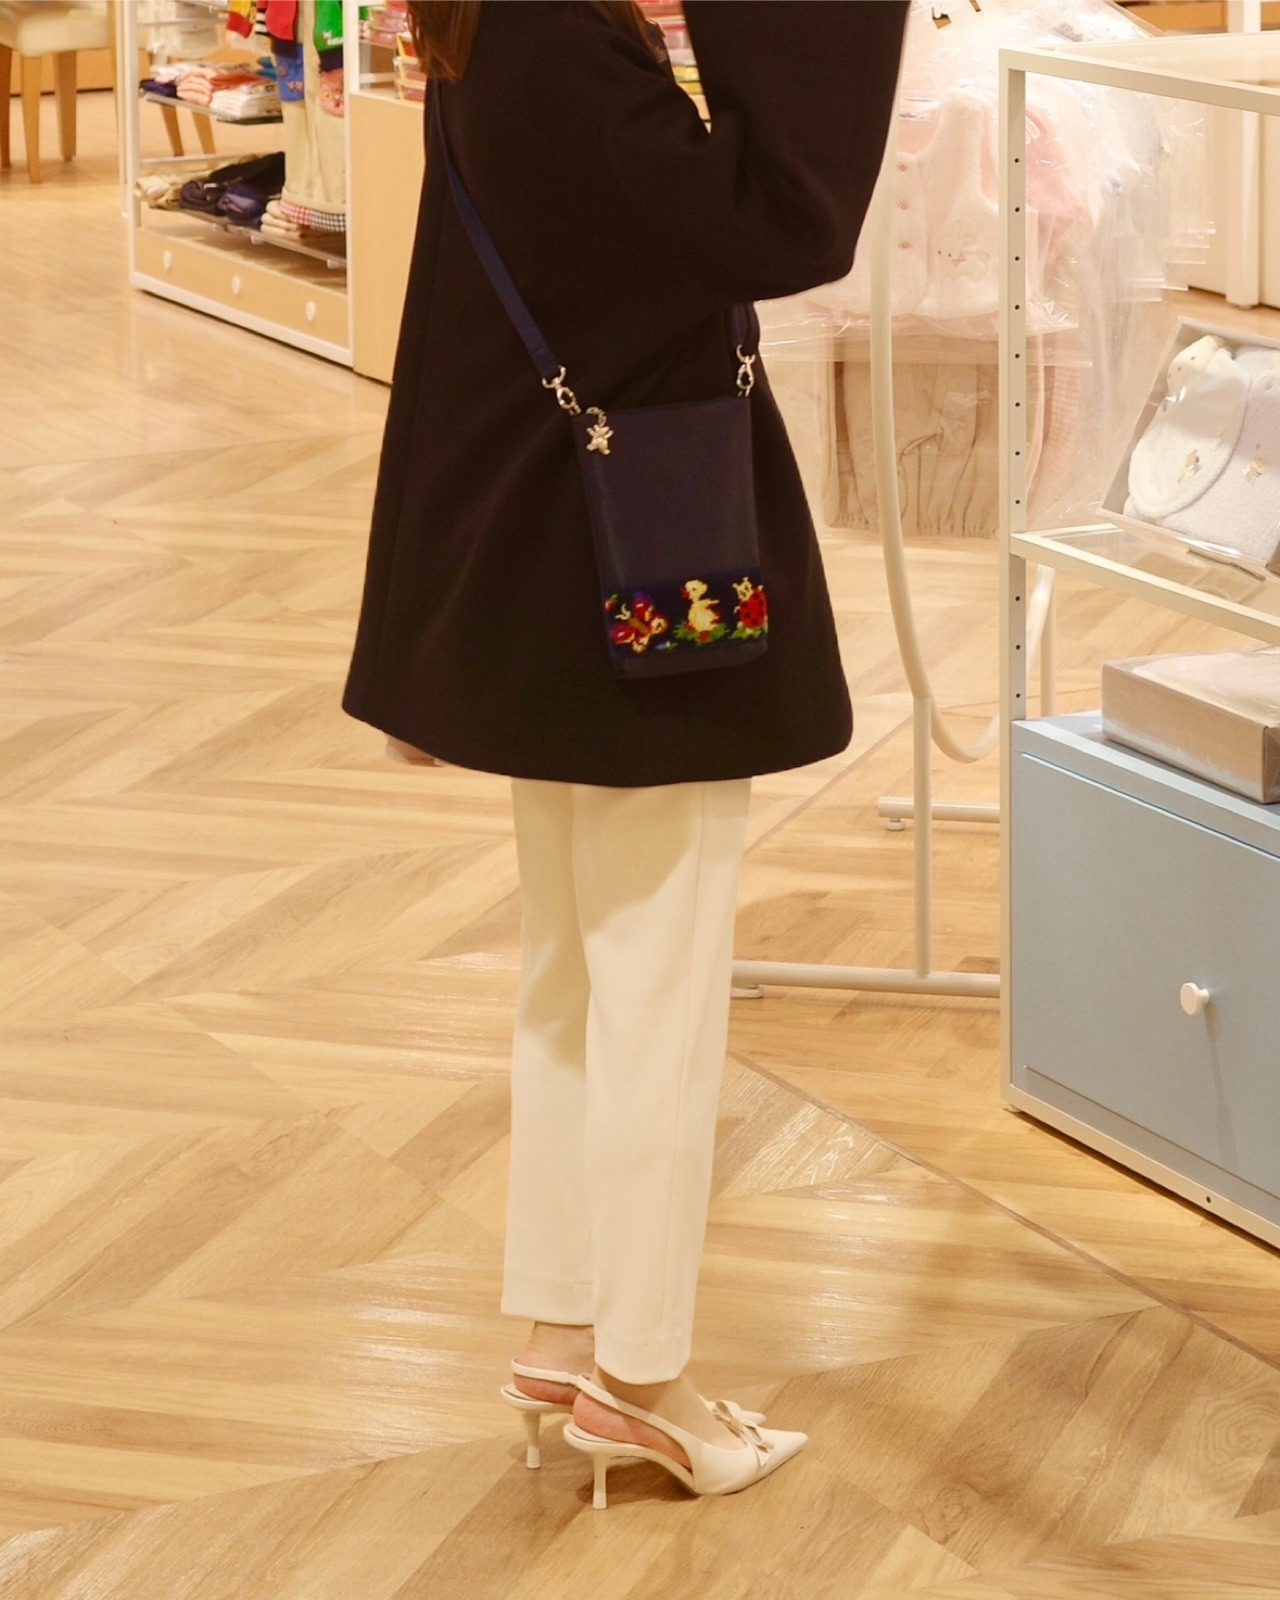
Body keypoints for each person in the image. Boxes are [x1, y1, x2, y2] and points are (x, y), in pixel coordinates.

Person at [343, 0, 908, 1504]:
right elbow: (787, 221)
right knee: (657, 984)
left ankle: (564, 1323)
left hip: (558, 576)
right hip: (642, 592)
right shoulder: (565, 43)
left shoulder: (495, 27)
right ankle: (644, 1379)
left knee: (576, 976)